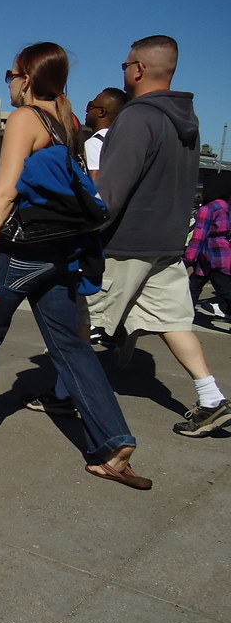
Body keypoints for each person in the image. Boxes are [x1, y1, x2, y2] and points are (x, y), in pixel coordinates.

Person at [0, 42, 150, 490]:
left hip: (19, 251)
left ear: (27, 77)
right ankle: (112, 441)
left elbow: (7, 191)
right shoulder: (68, 121)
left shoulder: (25, 119)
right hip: (62, 253)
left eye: (10, 74)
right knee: (71, 347)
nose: (8, 82)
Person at [91, 35, 230, 437]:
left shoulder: (137, 117)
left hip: (125, 244)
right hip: (167, 242)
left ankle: (66, 394)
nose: (124, 70)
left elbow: (111, 193)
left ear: (138, 68)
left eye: (125, 64)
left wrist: (81, 231)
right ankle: (211, 398)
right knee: (173, 321)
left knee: (81, 319)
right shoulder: (186, 118)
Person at [185, 187, 231, 321]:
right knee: (194, 284)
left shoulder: (208, 209)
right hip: (221, 253)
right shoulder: (225, 206)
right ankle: (185, 315)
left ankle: (185, 315)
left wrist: (188, 258)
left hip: (211, 255)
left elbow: (199, 236)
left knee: (224, 290)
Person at [83, 87, 129, 182]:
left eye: (90, 106)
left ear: (101, 112)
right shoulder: (126, 141)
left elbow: (95, 184)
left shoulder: (94, 143)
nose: (86, 110)